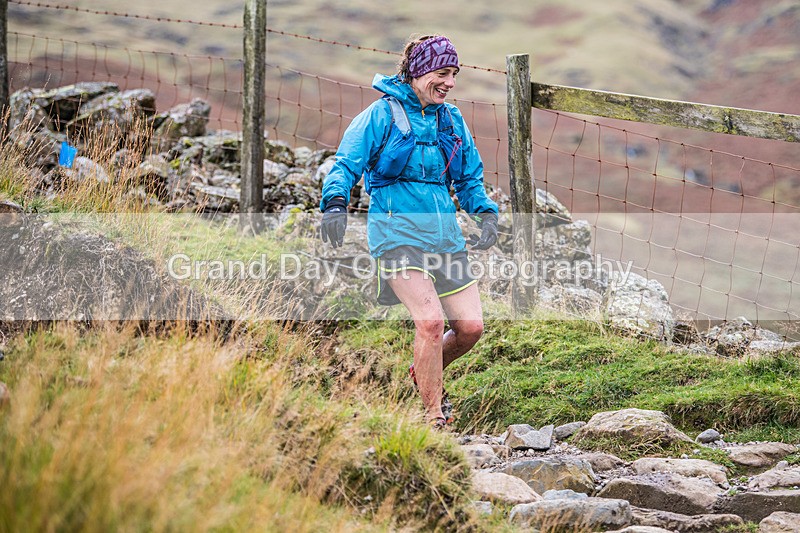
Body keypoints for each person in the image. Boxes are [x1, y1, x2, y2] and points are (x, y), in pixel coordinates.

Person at [319, 35, 499, 429]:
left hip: (444, 236)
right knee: (430, 322)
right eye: (442, 73)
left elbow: (469, 177)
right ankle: (432, 415)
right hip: (396, 234)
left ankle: (423, 373)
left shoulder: (451, 120)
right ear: (418, 72)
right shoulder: (381, 114)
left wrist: (485, 214)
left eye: (454, 74)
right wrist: (334, 203)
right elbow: (346, 163)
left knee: (470, 329)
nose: (450, 82)